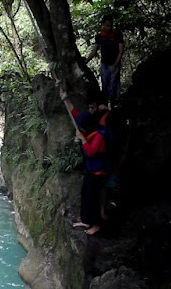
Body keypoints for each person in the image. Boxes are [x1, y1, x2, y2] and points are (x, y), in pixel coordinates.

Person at [62, 92, 112, 235]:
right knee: (86, 194)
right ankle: (86, 219)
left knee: (93, 198)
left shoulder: (100, 134)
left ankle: (96, 225)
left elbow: (91, 152)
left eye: (92, 108)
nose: (90, 111)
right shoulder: (91, 123)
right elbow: (77, 115)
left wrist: (82, 139)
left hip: (100, 171)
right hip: (92, 170)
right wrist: (67, 99)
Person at [85, 14, 124, 108]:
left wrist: (116, 64)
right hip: (104, 64)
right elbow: (94, 50)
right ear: (103, 25)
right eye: (107, 25)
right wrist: (86, 61)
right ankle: (105, 107)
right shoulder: (100, 36)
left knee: (113, 86)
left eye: (110, 25)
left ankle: (115, 105)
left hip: (114, 64)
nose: (109, 27)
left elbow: (121, 51)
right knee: (105, 87)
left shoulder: (117, 35)